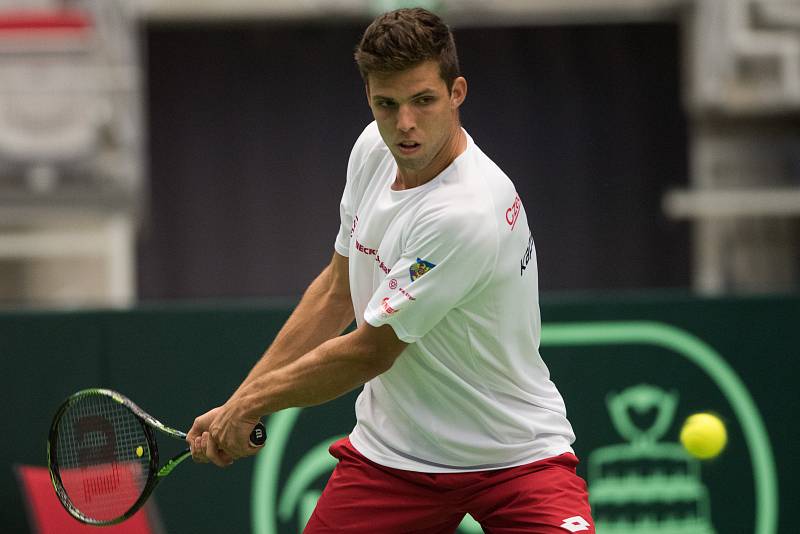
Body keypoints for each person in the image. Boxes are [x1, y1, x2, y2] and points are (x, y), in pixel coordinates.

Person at [187, 7, 594, 533]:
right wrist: (241, 402)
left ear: (457, 93)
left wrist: (248, 404)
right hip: (395, 457)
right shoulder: (370, 152)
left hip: (514, 454)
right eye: (388, 103)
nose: (404, 124)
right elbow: (337, 289)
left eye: (423, 100)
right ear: (370, 99)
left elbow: (370, 350)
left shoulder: (467, 213)